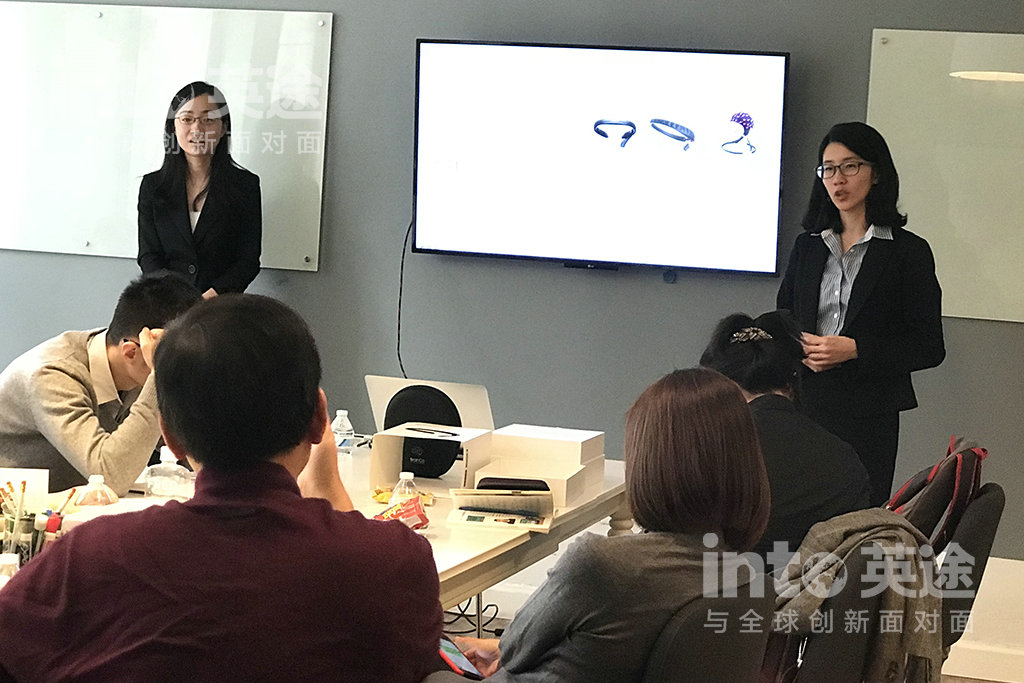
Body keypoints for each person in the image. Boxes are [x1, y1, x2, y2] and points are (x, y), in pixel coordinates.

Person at [0, 294, 443, 682]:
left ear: (169, 437)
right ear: (318, 417)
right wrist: (331, 495)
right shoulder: (395, 561)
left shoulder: (91, 556)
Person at [453, 368, 771, 681]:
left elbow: (514, 648)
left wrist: (500, 650)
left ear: (648, 461)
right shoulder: (745, 578)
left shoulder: (603, 565)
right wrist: (501, 650)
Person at [777, 121, 945, 506]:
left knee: (857, 517)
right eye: (828, 169)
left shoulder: (908, 252)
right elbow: (783, 319)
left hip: (869, 412)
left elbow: (929, 346)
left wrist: (855, 349)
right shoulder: (807, 247)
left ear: (877, 173)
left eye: (850, 166)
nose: (838, 179)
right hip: (805, 403)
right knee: (798, 512)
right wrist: (798, 346)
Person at [0, 273, 200, 494]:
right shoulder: (52, 375)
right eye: (178, 360)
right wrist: (160, 372)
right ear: (131, 352)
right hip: (16, 508)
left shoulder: (133, 368)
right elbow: (110, 477)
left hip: (76, 504)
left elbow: (194, 448)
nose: (184, 372)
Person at [700, 310, 871, 564]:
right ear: (792, 382)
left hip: (726, 583)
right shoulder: (846, 458)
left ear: (722, 386)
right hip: (821, 585)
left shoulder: (709, 455)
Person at [138, 81, 262, 298]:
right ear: (173, 127)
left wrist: (206, 300)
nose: (197, 129)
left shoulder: (245, 186)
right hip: (167, 304)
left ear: (223, 128)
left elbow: (247, 261)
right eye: (187, 119)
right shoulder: (153, 186)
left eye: (208, 120)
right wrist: (176, 299)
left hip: (221, 306)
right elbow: (148, 256)